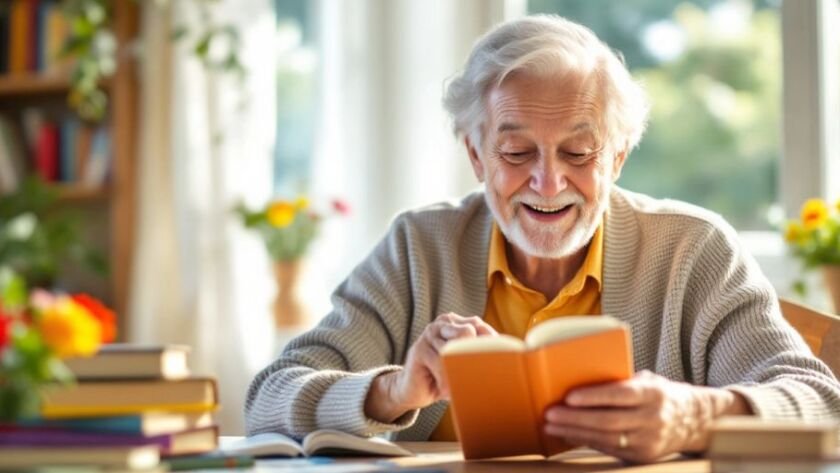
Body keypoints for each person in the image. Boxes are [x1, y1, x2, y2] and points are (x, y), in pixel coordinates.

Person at [245, 14, 840, 463]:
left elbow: (822, 401)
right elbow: (267, 399)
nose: (548, 181)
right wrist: (394, 390)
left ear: (618, 157)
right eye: (515, 151)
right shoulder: (417, 248)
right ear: (477, 156)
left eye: (579, 152)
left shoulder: (693, 250)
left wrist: (695, 415)